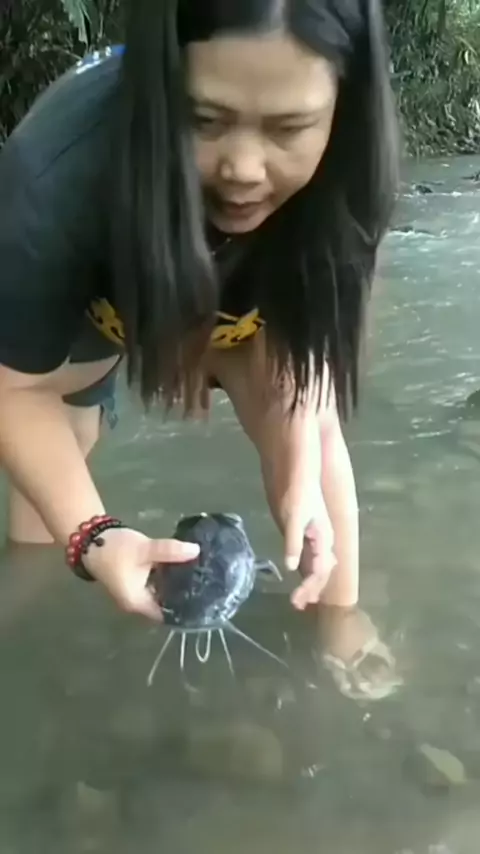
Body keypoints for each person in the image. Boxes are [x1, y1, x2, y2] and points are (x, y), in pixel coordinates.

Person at [0, 0, 400, 697]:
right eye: (206, 120)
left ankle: (338, 618)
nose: (243, 168)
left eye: (289, 127)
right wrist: (94, 536)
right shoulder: (53, 177)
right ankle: (30, 615)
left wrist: (297, 466)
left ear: (345, 106)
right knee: (52, 477)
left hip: (252, 303)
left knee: (308, 451)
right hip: (105, 301)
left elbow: (310, 351)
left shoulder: (352, 172)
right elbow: (14, 388)